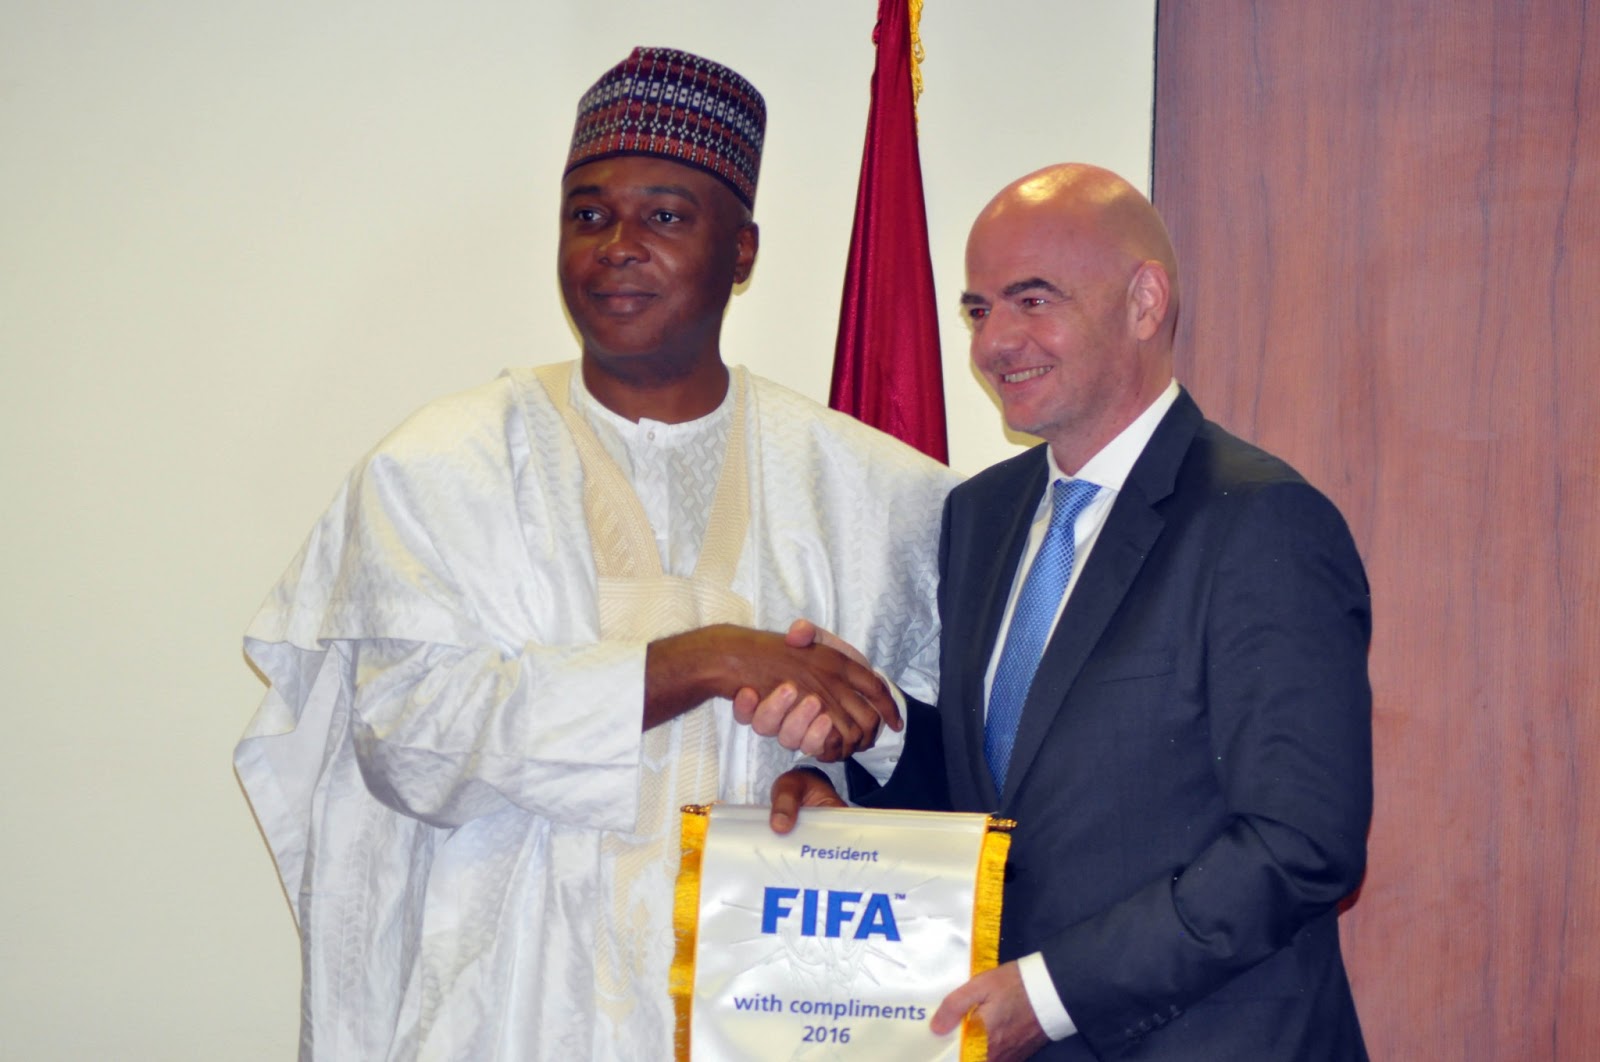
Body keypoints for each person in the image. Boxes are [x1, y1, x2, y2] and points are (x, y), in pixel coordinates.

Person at [235, 47, 959, 1061]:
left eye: (664, 215)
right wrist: (702, 659)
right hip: (509, 1017)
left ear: (742, 251)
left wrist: (853, 771)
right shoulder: (442, 467)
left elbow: (969, 768)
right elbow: (411, 746)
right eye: (588, 214)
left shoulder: (876, 492)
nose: (618, 246)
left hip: (765, 1025)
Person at [770, 163, 1373, 1060]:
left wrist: (1050, 996)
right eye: (978, 310)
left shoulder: (1261, 521)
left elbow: (1301, 845)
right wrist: (876, 730)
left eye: (1032, 300)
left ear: (1144, 301)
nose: (993, 343)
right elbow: (1007, 798)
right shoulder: (979, 516)